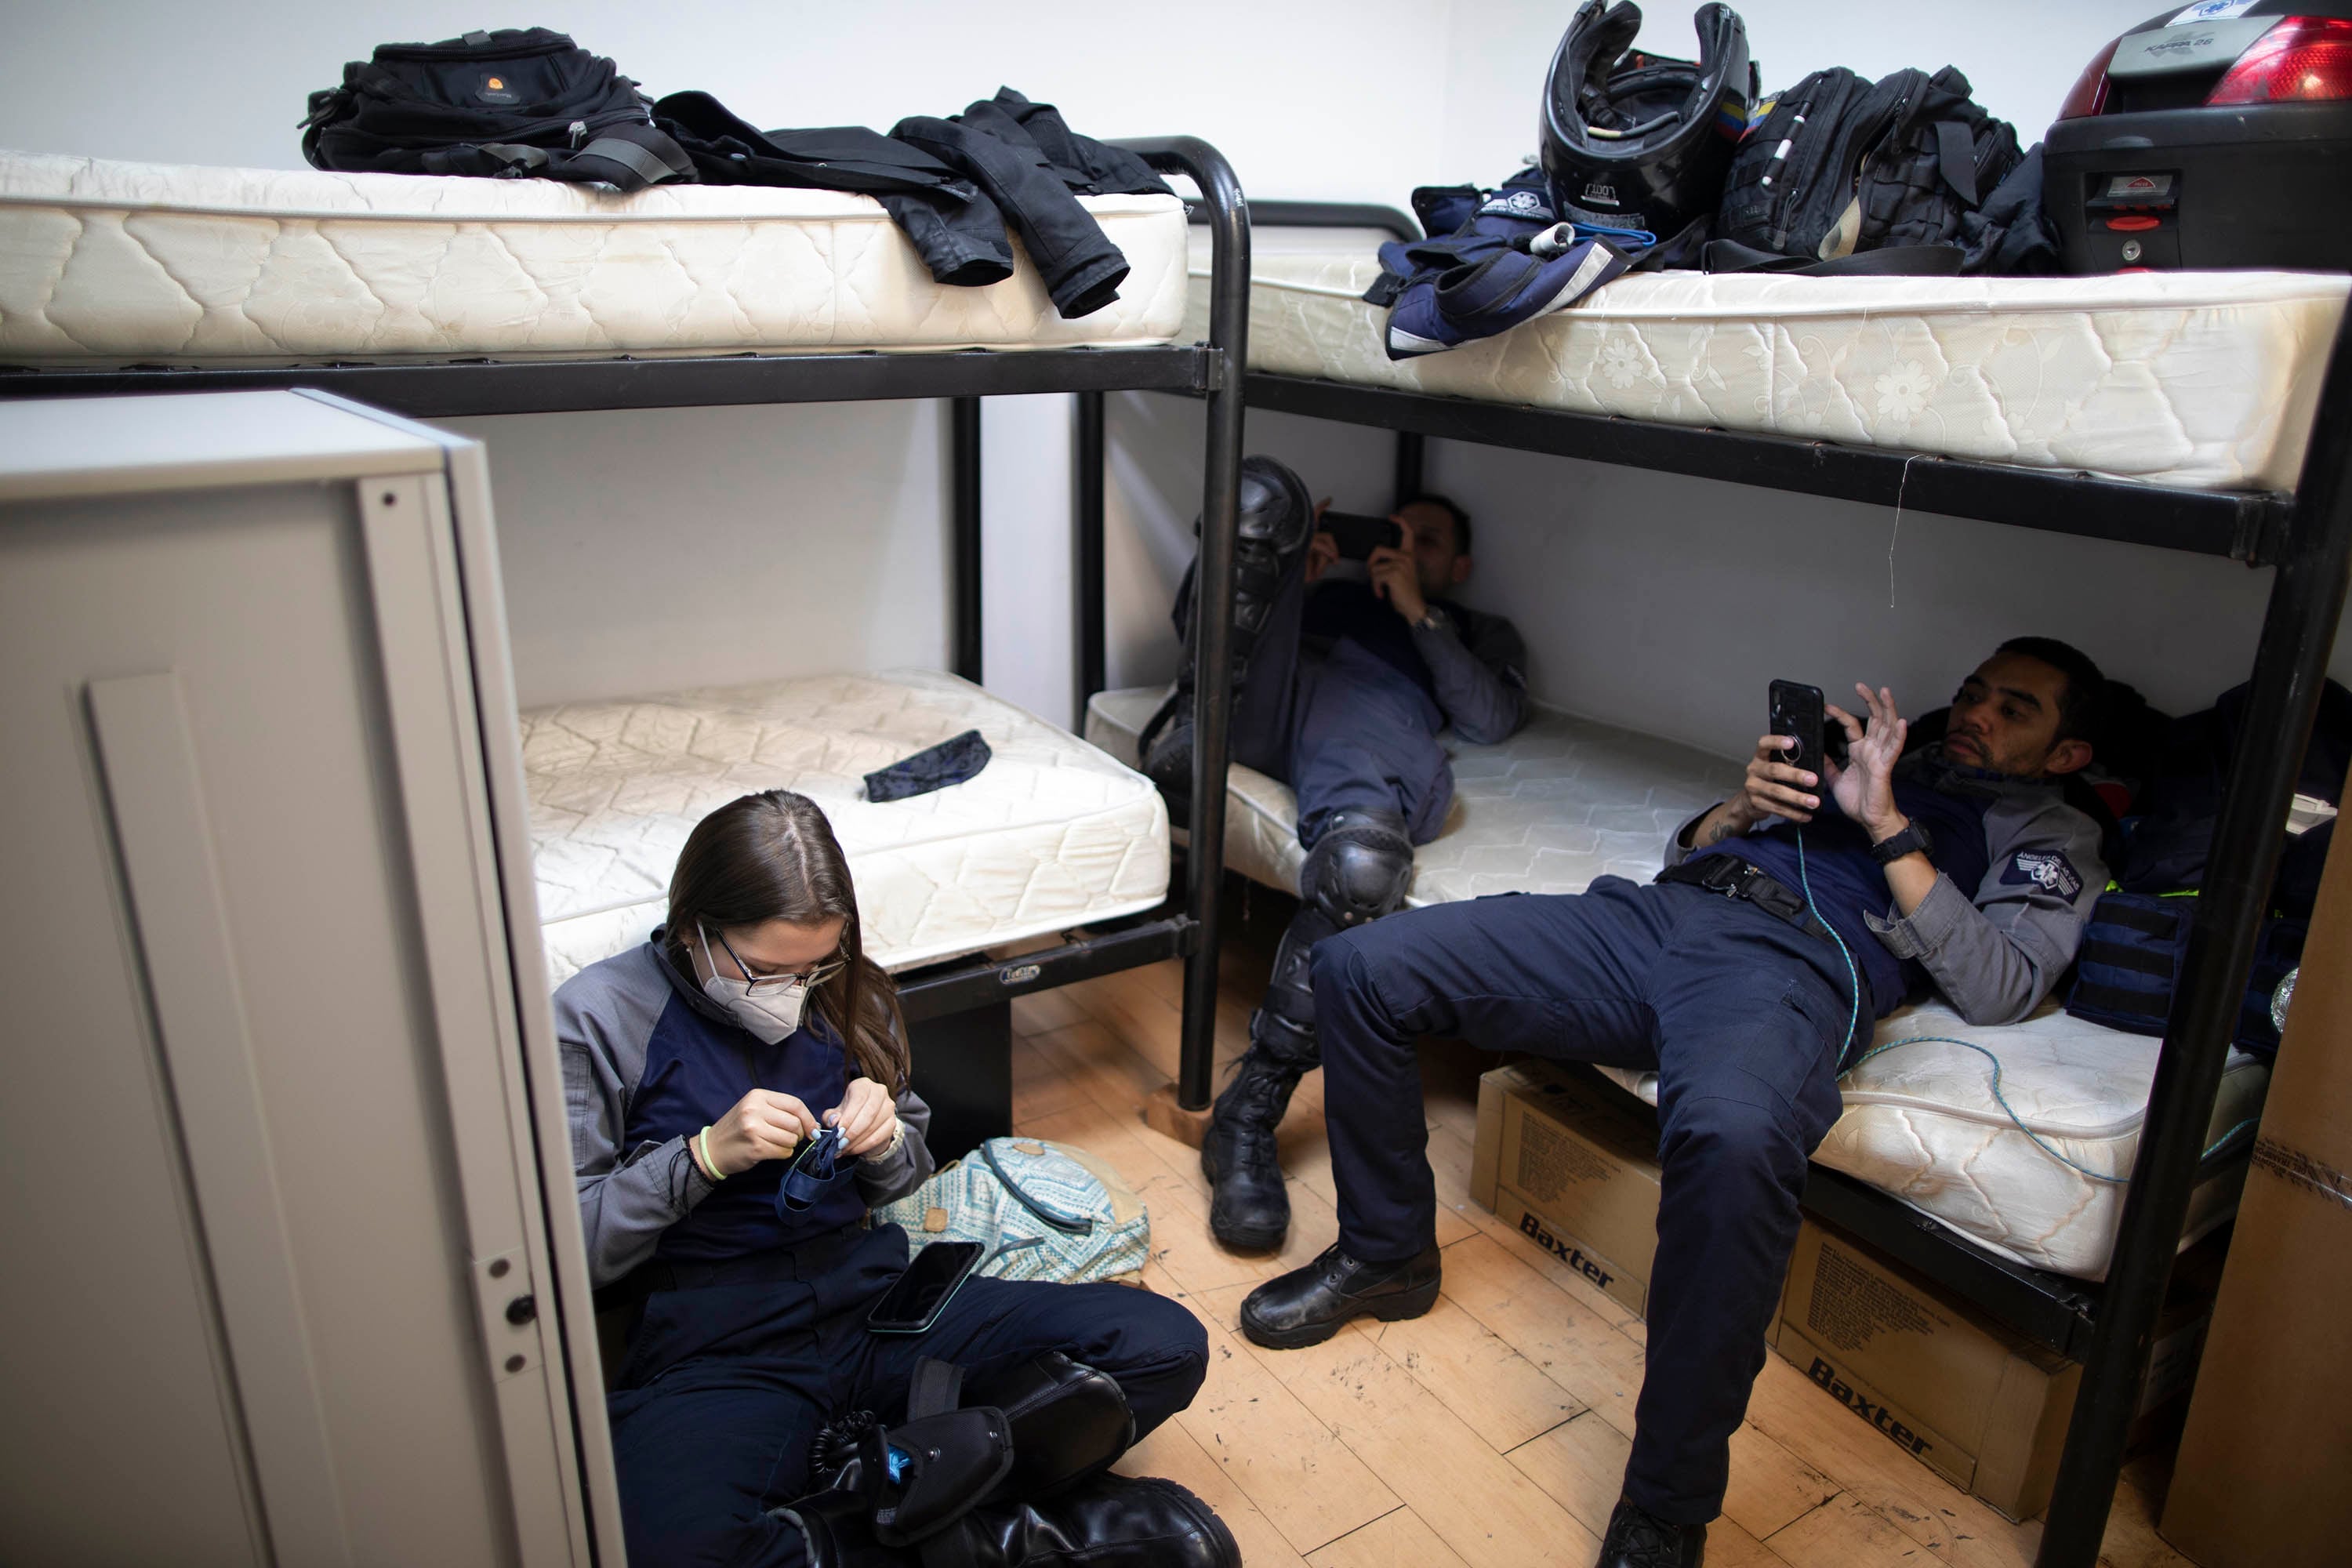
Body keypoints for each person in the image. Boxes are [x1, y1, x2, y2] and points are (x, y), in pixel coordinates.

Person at [1233, 639, 2111, 1568]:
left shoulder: (2051, 831)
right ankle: (1386, 1253)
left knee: (1733, 1138)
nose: (1977, 713)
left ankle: (1667, 1501)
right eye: (1974, 693)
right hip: (1656, 916)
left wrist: (1886, 821)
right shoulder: (1867, 759)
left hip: (1789, 966)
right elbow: (1679, 851)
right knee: (1360, 965)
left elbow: (2001, 983)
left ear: (2068, 754)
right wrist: (1743, 806)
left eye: (2016, 709)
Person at [557, 789, 1229, 1568]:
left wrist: (885, 1141)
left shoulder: (849, 992)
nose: (794, 991)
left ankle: (882, 1509)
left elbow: (904, 1171)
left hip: (881, 1311)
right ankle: (985, 1535)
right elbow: (568, 1247)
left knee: (1161, 1345)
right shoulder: (598, 1017)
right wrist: (700, 1157)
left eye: (816, 966)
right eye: (767, 969)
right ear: (693, 929)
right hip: (719, 1349)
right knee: (666, 1548)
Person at [1141, 456, 1529, 1250]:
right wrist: (1297, 581)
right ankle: (1198, 718)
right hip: (1281, 680)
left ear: (1460, 566)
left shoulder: (1470, 626)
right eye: (1395, 533)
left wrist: (1418, 609)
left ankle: (1247, 1114)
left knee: (1359, 871)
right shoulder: (1334, 593)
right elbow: (1210, 623)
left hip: (1369, 704)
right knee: (1261, 500)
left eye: (1426, 542)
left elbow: (1490, 718)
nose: (1403, 546)